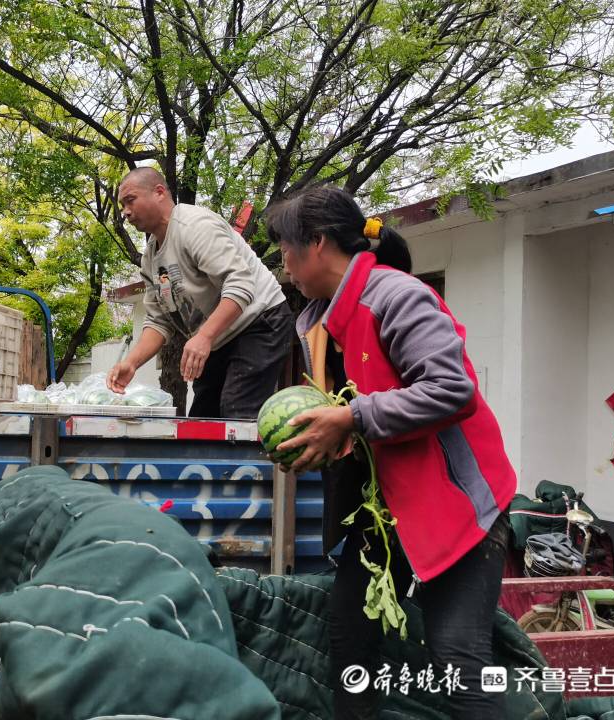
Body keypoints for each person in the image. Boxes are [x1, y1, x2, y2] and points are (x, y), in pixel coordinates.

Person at [265, 184, 516, 719]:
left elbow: (451, 390)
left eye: (285, 247)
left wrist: (350, 418)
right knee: (349, 638)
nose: (282, 261)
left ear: (317, 242)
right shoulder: (315, 322)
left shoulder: (397, 297)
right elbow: (352, 421)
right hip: (389, 512)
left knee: (458, 663)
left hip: (458, 508)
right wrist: (327, 439)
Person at [108, 168, 294, 418]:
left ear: (159, 192)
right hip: (218, 338)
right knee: (204, 420)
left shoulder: (194, 226)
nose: (126, 212)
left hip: (259, 321)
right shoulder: (150, 258)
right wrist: (131, 363)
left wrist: (204, 337)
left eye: (130, 200)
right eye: (122, 206)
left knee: (236, 415)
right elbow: (158, 320)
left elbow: (239, 283)